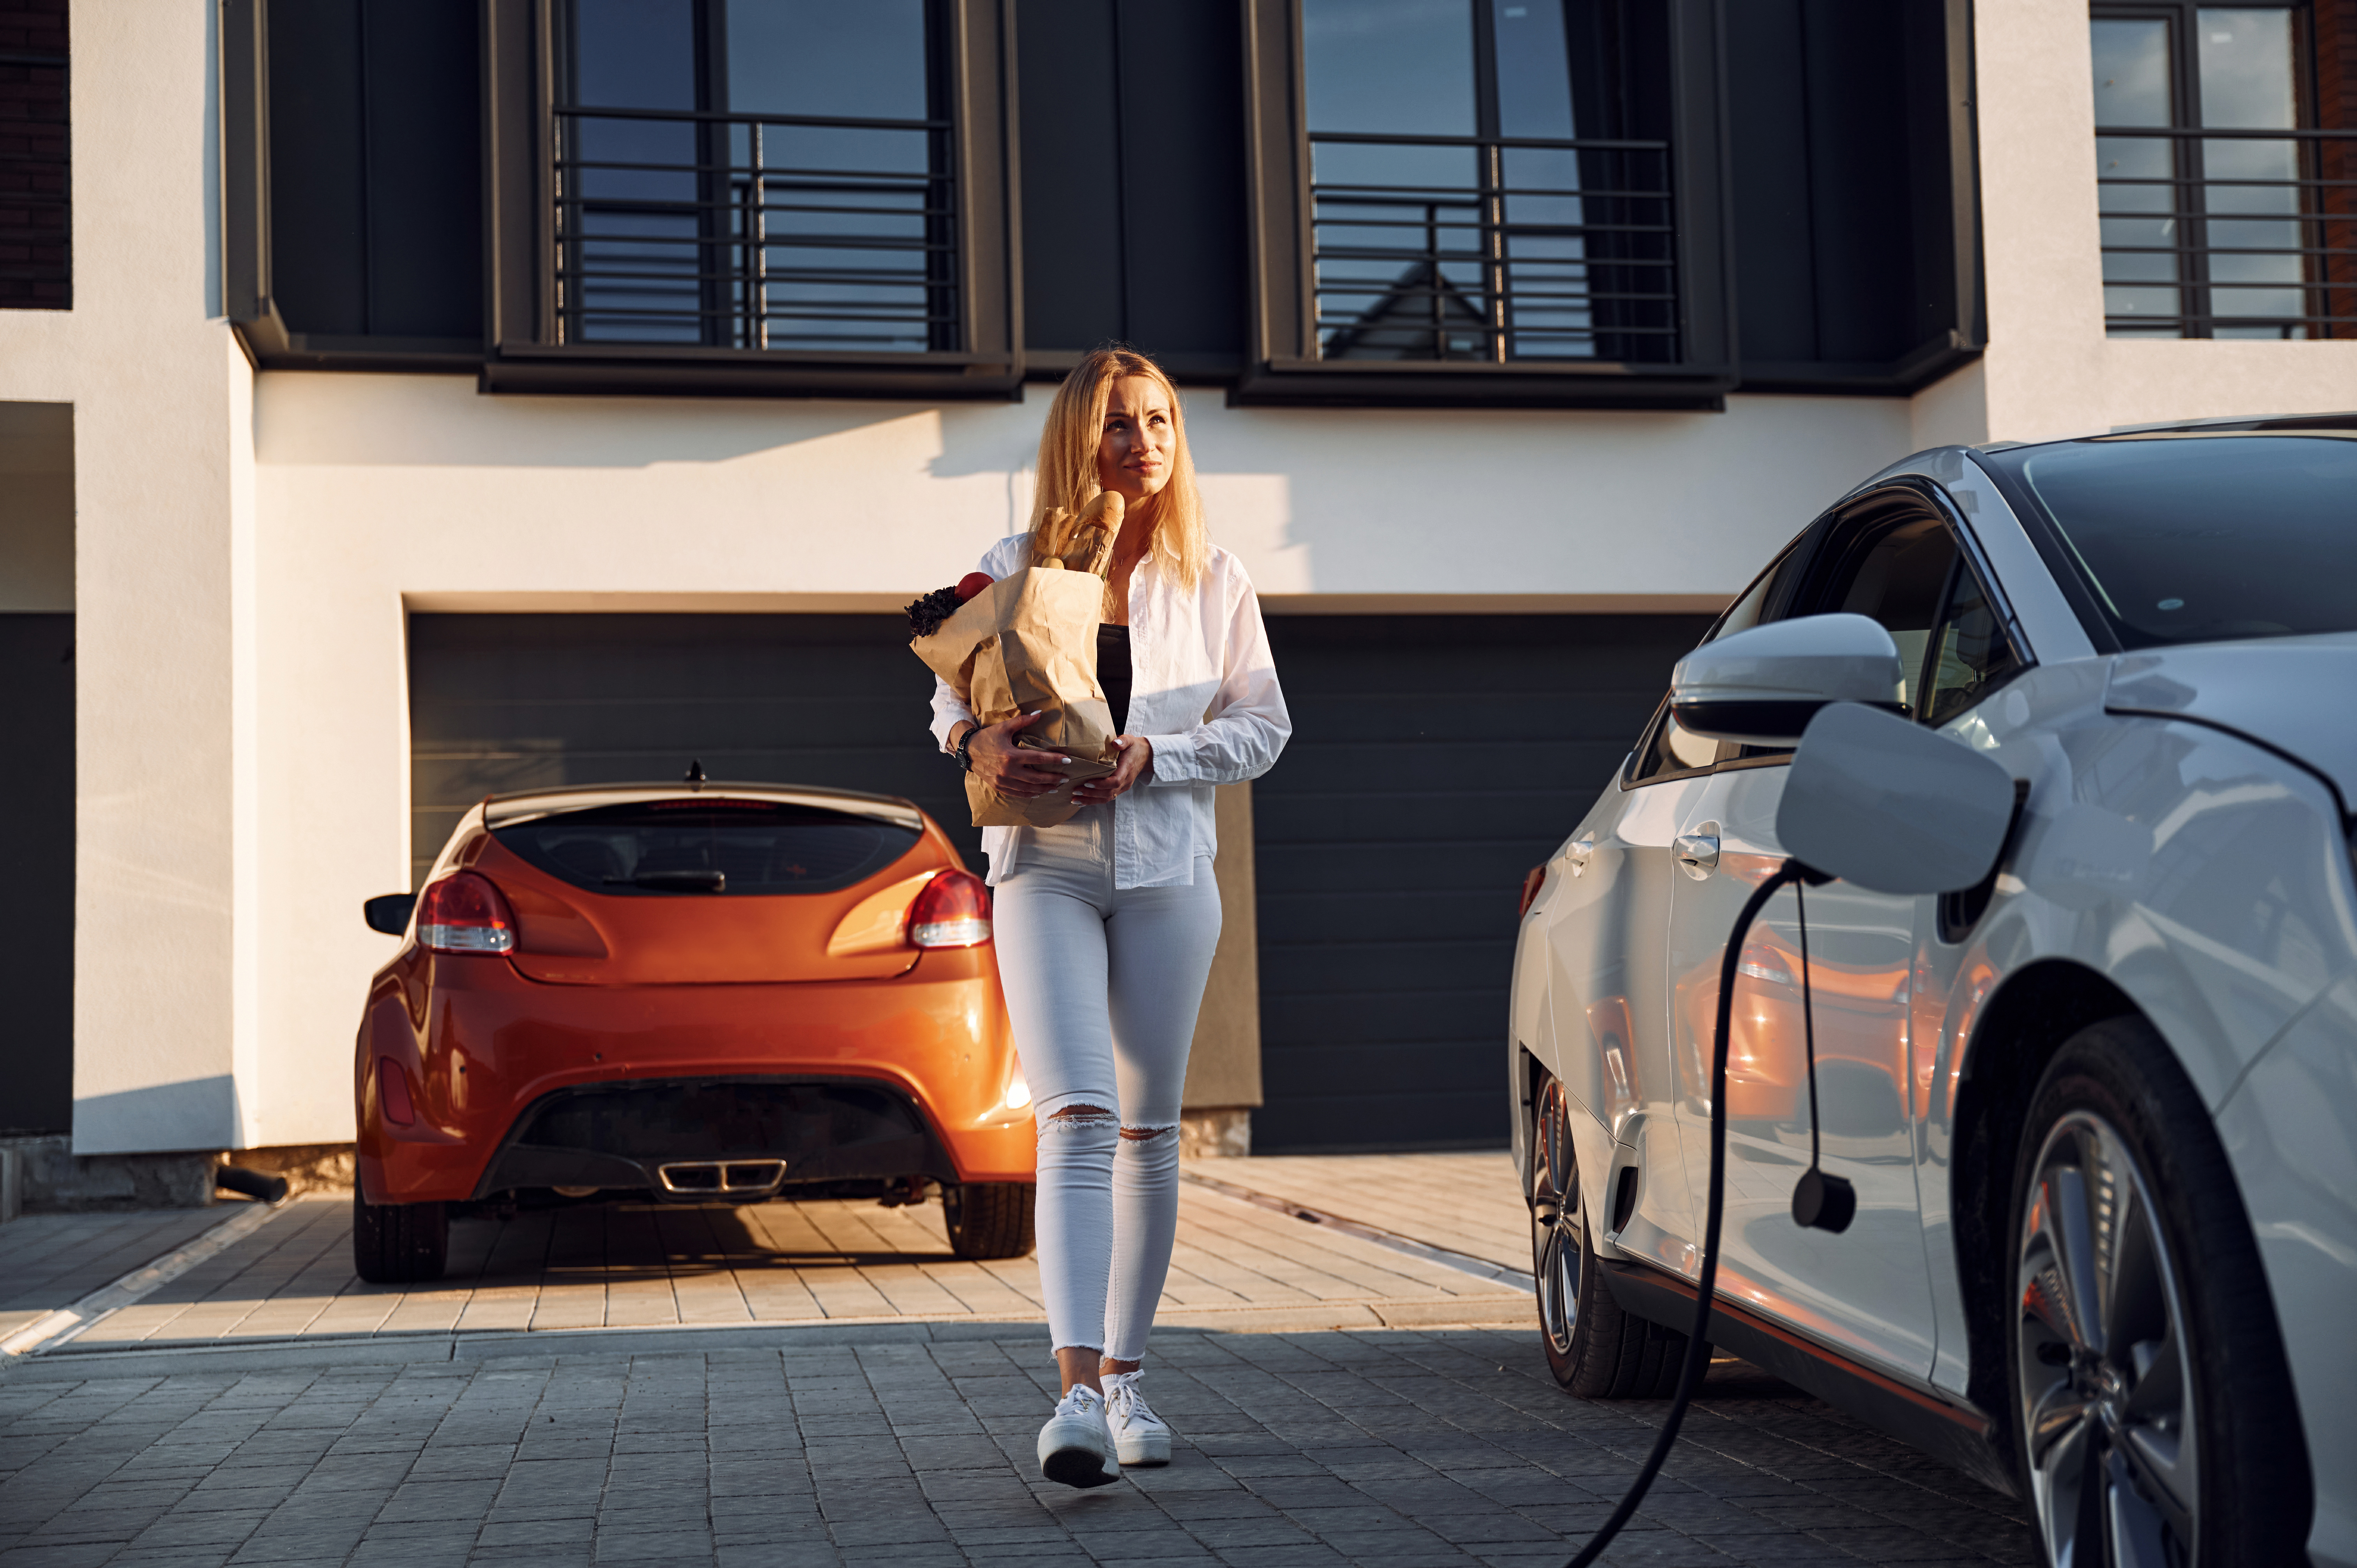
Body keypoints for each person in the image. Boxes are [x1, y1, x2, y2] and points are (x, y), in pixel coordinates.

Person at [929, 346, 1291, 1488]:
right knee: (1076, 1116)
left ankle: (1131, 1380)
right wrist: (971, 738)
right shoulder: (1011, 564)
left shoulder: (1215, 577)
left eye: (1160, 423)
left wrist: (1161, 753)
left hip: (1172, 876)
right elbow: (947, 691)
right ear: (1077, 439)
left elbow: (1266, 727)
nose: (1141, 444)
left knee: (1148, 1130)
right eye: (1118, 424)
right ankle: (1077, 1396)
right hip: (1044, 867)